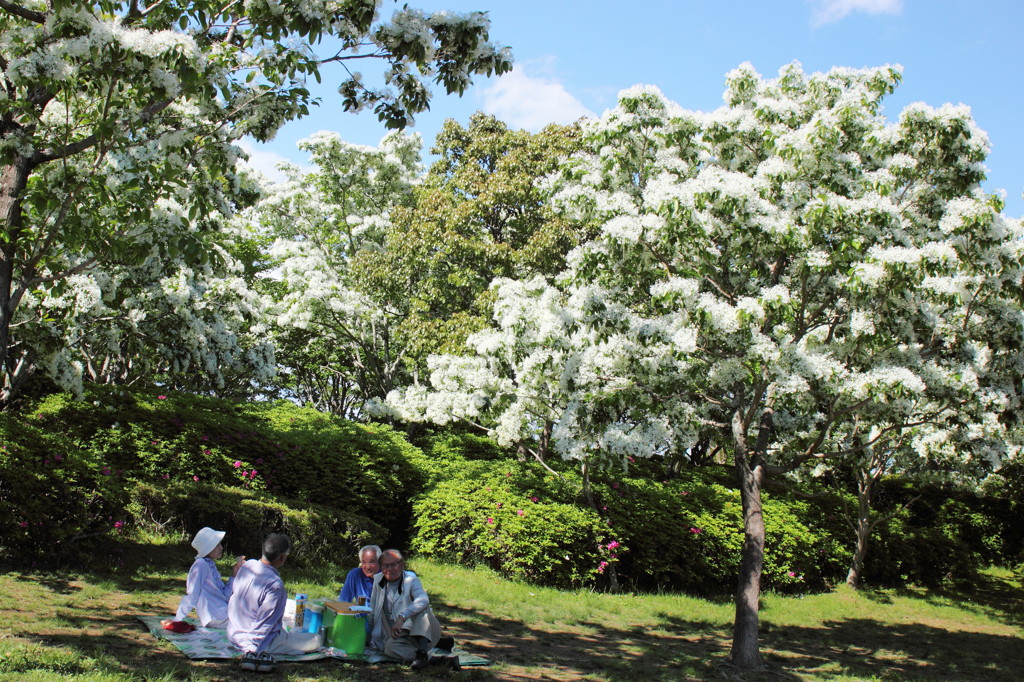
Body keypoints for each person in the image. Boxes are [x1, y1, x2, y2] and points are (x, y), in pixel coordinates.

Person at [228, 533, 322, 673]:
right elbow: (265, 621)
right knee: (317, 639)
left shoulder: (247, 566)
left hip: (234, 631)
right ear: (282, 557)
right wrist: (252, 649)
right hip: (260, 641)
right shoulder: (275, 585)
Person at [366, 549, 457, 670]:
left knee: (420, 607)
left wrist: (402, 616)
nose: (390, 569)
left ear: (401, 564)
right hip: (400, 634)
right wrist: (368, 635)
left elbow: (423, 599)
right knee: (389, 648)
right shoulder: (378, 581)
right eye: (385, 566)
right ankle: (436, 660)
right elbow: (373, 610)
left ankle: (422, 651)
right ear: (381, 567)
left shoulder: (411, 579)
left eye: (394, 564)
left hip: (423, 629)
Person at [162, 526, 244, 629]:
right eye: (217, 545)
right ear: (208, 547)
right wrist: (177, 620)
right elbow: (192, 594)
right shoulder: (200, 565)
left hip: (223, 614)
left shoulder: (209, 565)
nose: (221, 548)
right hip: (215, 617)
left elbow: (225, 596)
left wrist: (234, 574)